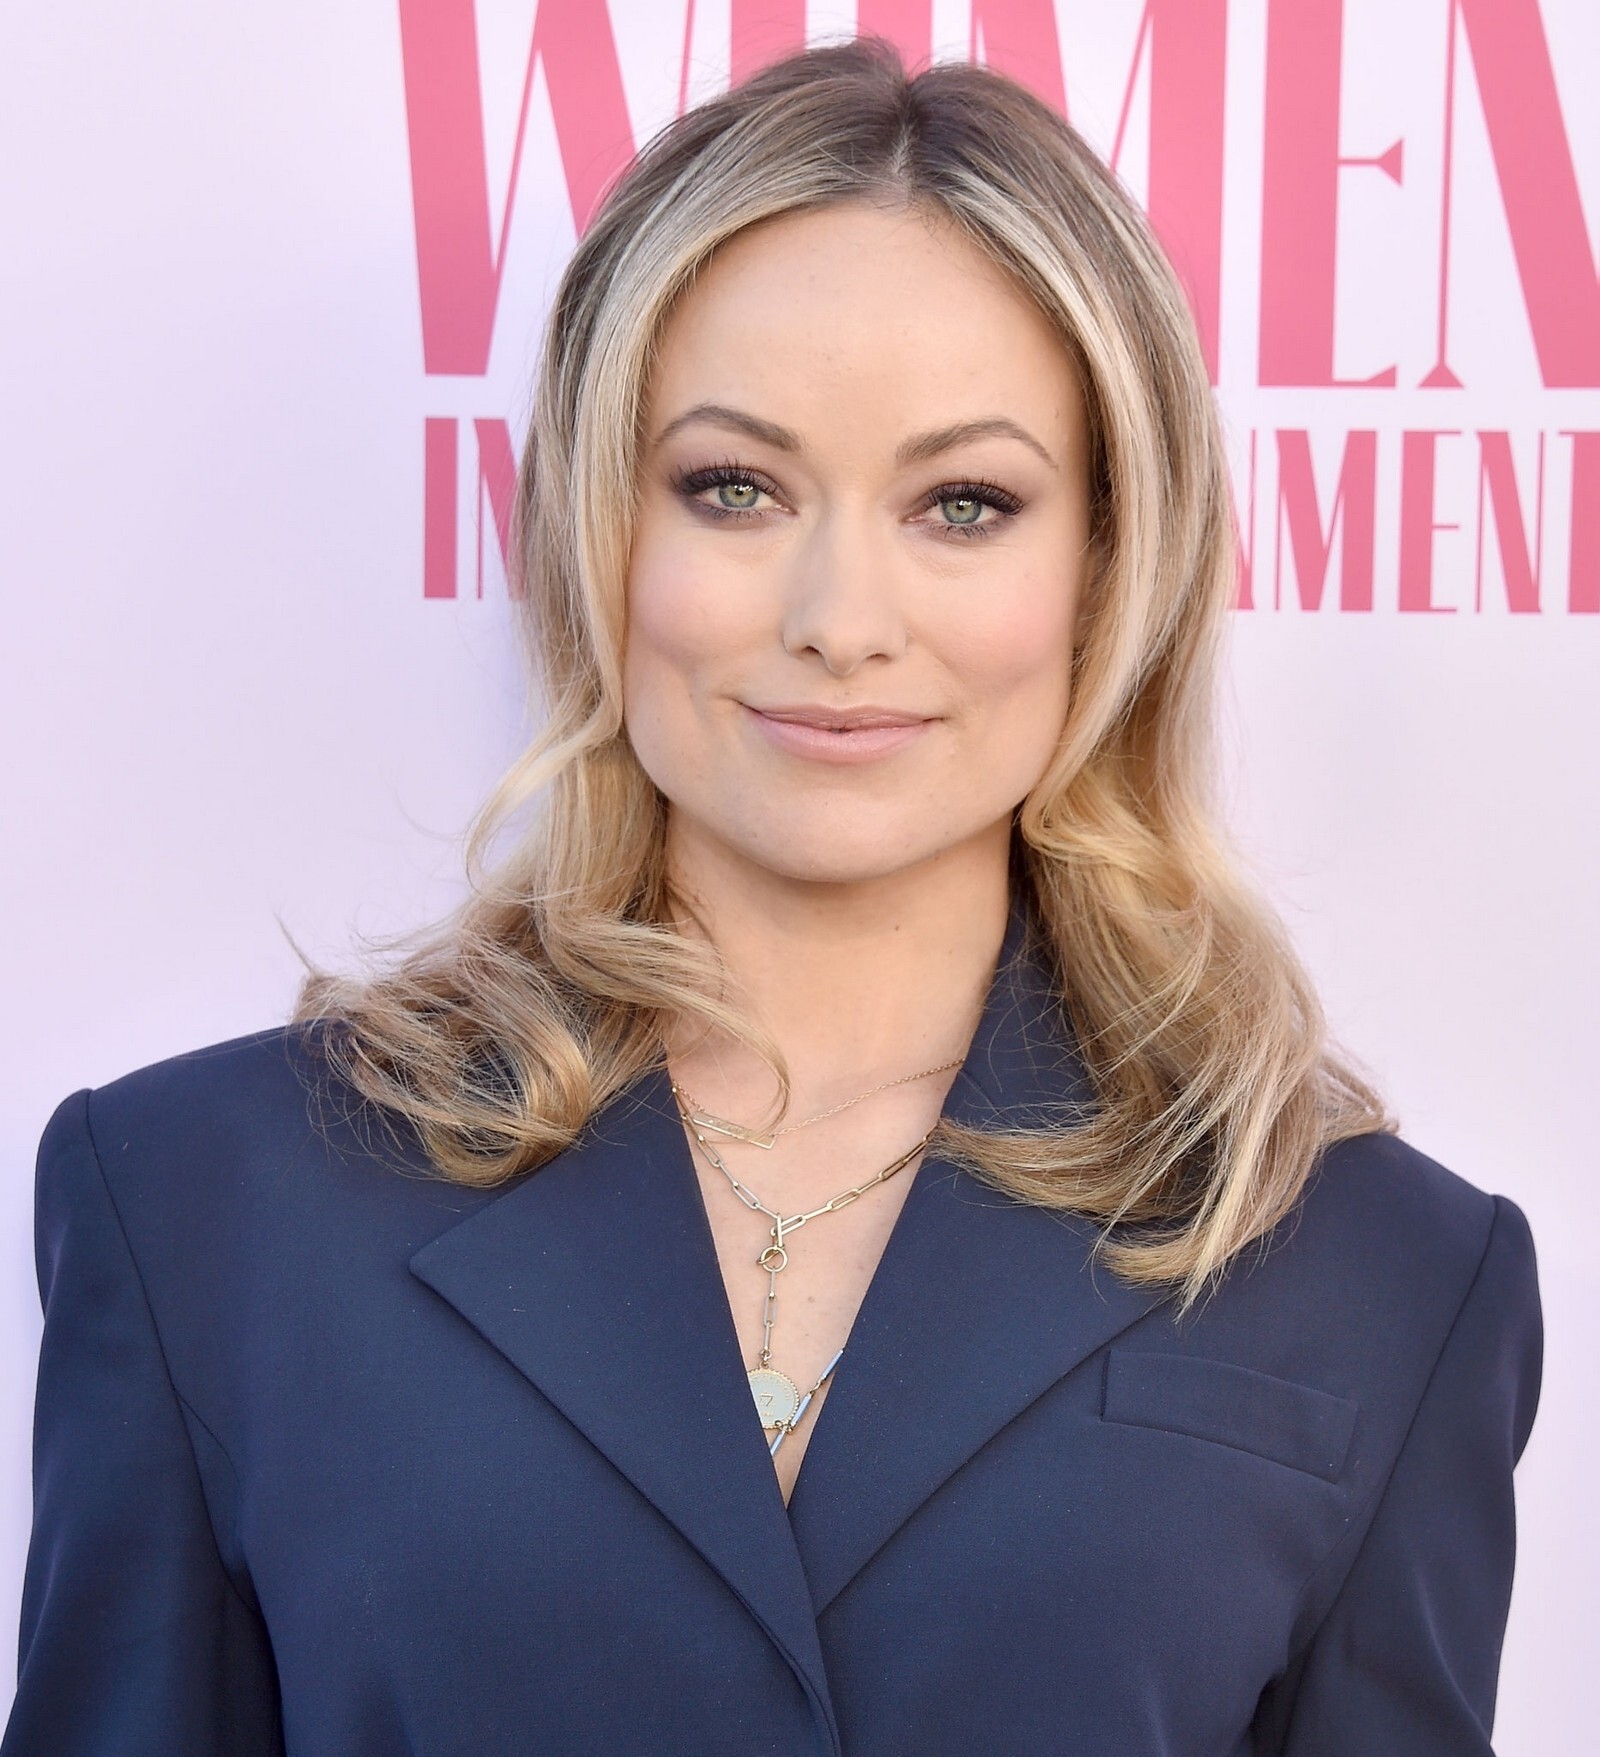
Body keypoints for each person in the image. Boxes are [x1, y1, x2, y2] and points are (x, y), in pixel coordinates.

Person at [2, 38, 1540, 1757]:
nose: (839, 617)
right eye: (732, 486)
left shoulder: (1382, 1274)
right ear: (600, 527)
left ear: (1110, 565)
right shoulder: (204, 1206)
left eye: (966, 504)